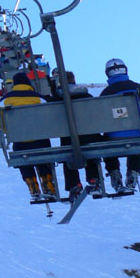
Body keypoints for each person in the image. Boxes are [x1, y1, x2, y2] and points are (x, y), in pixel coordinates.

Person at [99, 58, 140, 193]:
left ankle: (114, 172)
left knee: (107, 146)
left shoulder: (106, 93)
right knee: (135, 146)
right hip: (137, 132)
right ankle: (133, 172)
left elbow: (100, 116)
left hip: (113, 135)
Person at [46, 71, 102, 199]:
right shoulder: (86, 96)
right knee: (90, 151)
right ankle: (94, 179)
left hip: (69, 139)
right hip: (90, 136)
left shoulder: (58, 98)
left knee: (68, 155)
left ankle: (74, 185)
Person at [2, 72, 58, 201]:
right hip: (40, 140)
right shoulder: (39, 98)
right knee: (42, 154)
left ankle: (32, 185)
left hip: (20, 142)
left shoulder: (6, 100)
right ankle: (48, 183)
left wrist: (8, 130)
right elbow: (49, 116)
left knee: (23, 158)